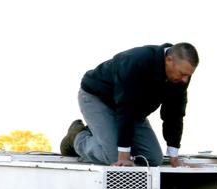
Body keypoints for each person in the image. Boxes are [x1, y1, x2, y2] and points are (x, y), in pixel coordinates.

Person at [60, 43, 199, 167]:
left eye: (188, 75)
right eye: (183, 74)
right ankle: (76, 136)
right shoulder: (137, 61)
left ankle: (104, 133)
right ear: (168, 60)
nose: (185, 80)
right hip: (98, 98)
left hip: (132, 110)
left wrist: (174, 157)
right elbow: (125, 107)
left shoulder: (181, 75)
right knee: (114, 157)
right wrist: (123, 155)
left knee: (153, 159)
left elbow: (174, 114)